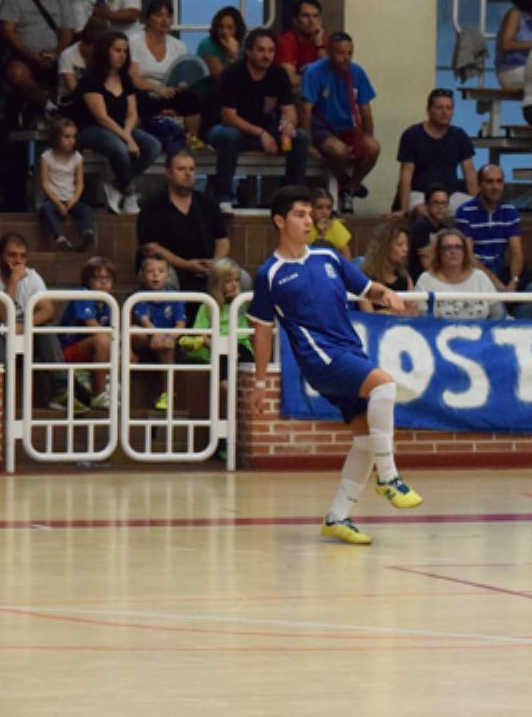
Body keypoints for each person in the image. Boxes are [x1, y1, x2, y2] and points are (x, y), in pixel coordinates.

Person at [249, 185, 423, 545]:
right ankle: (388, 476)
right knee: (384, 386)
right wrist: (261, 382)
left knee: (363, 439)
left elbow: (366, 288)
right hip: (319, 359)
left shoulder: (327, 257)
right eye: (300, 214)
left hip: (347, 350)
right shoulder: (270, 273)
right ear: (280, 221)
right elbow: (262, 331)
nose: (308, 220)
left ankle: (338, 516)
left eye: (310, 214)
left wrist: (386, 294)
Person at [0, 233, 85, 413]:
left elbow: (48, 310)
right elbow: (1, 315)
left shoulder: (32, 276)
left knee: (45, 329)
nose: (18, 261)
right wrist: (13, 281)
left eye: (22, 256)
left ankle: (61, 392)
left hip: (19, 330)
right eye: (12, 255)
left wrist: (24, 327)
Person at [209, 28, 309, 211]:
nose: (266, 56)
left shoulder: (278, 74)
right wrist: (261, 133)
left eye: (271, 51)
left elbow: (289, 110)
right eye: (261, 50)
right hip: (233, 129)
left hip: (266, 131)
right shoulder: (233, 73)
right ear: (248, 51)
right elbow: (228, 117)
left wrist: (289, 125)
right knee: (227, 136)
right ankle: (223, 196)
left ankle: (292, 197)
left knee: (300, 137)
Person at [73, 31, 161, 215]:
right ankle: (129, 192)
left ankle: (116, 185)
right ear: (105, 51)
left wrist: (128, 135)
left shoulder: (125, 78)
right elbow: (102, 117)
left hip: (120, 127)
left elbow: (132, 113)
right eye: (117, 50)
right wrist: (127, 140)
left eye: (125, 51)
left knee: (153, 146)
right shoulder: (91, 79)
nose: (122, 55)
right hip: (91, 128)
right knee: (119, 148)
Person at [301, 32, 380, 214]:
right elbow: (306, 110)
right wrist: (309, 143)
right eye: (341, 53)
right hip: (323, 128)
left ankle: (349, 187)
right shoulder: (315, 72)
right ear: (328, 52)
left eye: (349, 53)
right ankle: (347, 183)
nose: (346, 58)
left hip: (349, 127)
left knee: (373, 148)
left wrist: (367, 137)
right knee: (339, 151)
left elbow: (366, 110)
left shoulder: (357, 72)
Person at [455, 164, 532, 319]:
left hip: (502, 271)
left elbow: (517, 252)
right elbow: (468, 256)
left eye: (499, 181)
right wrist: (497, 284)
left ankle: (515, 327)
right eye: (489, 182)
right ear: (479, 185)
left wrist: (514, 281)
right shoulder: (465, 211)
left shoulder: (510, 211)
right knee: (494, 298)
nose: (495, 186)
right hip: (476, 274)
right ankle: (506, 325)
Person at [137, 149, 230, 298]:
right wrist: (186, 265)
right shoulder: (152, 205)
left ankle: (230, 320)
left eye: (191, 169)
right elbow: (150, 248)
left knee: (240, 276)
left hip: (206, 268)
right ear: (168, 173)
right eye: (181, 169)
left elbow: (223, 240)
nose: (188, 174)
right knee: (165, 277)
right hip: (172, 268)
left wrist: (215, 263)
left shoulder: (207, 203)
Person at [0, 0, 73, 120]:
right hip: (25, 56)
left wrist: (56, 53)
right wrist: (30, 54)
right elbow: (8, 31)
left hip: (55, 56)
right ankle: (49, 106)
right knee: (16, 73)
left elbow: (67, 33)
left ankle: (50, 110)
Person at [395, 88, 478, 216]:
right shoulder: (412, 135)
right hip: (420, 195)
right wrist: (403, 209)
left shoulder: (459, 136)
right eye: (440, 108)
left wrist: (478, 206)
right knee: (423, 211)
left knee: (473, 211)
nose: (445, 112)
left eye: (449, 108)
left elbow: (470, 174)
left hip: (450, 196)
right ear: (429, 110)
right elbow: (406, 175)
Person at [128, 0, 201, 135]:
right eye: (159, 15)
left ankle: (193, 139)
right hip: (144, 91)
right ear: (148, 19)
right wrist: (157, 89)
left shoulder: (179, 45)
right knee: (137, 98)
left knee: (191, 98)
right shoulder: (135, 41)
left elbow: (183, 76)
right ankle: (133, 137)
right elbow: (133, 78)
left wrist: (182, 85)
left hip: (169, 92)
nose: (165, 20)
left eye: (168, 16)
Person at [59, 256, 117, 409]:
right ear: (87, 280)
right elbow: (92, 324)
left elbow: (113, 331)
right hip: (67, 351)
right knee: (103, 340)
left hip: (92, 351)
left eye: (108, 278)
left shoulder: (108, 302)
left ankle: (111, 384)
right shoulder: (83, 294)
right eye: (98, 278)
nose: (103, 282)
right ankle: (99, 394)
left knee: (127, 352)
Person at [179, 257, 254, 376]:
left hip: (241, 345)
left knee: (245, 366)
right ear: (217, 285)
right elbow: (200, 333)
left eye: (237, 280)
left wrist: (239, 299)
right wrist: (215, 346)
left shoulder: (245, 303)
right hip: (217, 347)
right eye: (229, 281)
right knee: (223, 366)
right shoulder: (208, 305)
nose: (234, 285)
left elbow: (255, 324)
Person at [131, 253, 187, 412]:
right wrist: (155, 334)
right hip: (148, 340)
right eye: (150, 271)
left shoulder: (176, 297)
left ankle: (167, 394)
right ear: (142, 275)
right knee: (134, 331)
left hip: (167, 341)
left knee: (167, 346)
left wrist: (170, 337)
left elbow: (180, 325)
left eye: (160, 271)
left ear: (168, 275)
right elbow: (144, 320)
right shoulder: (138, 297)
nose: (156, 275)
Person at [415, 228, 505, 320]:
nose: (453, 251)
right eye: (447, 247)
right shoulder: (426, 280)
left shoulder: (480, 277)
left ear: (465, 251)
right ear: (439, 252)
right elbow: (422, 319)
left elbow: (498, 314)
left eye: (458, 247)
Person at [38, 116, 93, 252]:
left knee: (85, 210)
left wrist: (72, 201)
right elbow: (45, 184)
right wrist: (58, 203)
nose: (71, 141)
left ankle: (86, 233)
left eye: (73, 137)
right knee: (46, 209)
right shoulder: (47, 157)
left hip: (71, 199)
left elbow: (80, 183)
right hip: (54, 199)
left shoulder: (77, 157)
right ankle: (59, 238)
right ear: (56, 137)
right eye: (66, 137)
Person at [359, 222, 418, 316]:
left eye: (407, 245)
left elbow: (413, 312)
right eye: (400, 244)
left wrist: (388, 312)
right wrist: (396, 312)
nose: (405, 249)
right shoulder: (365, 279)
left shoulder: (406, 279)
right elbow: (368, 316)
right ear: (384, 247)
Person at [277, 0, 326, 90]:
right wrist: (318, 77)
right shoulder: (286, 41)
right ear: (295, 20)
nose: (311, 21)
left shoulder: (323, 40)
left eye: (315, 16)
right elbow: (291, 80)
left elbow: (328, 76)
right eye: (305, 16)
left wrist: (319, 45)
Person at [408, 184, 455, 281]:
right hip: (421, 278)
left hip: (439, 274)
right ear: (426, 205)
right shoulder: (420, 226)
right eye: (436, 203)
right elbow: (426, 262)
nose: (440, 207)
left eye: (444, 203)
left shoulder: (445, 228)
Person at [56, 18, 105, 107]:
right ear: (84, 43)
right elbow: (74, 90)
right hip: (72, 102)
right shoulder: (67, 56)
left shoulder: (102, 53)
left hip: (99, 100)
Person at [197, 6, 245, 79]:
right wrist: (231, 57)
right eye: (221, 27)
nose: (224, 31)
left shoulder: (244, 44)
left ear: (237, 29)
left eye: (229, 27)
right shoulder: (207, 45)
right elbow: (221, 79)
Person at [308, 187, 352, 259]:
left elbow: (347, 257)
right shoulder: (305, 226)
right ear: (310, 209)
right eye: (319, 207)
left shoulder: (335, 226)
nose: (324, 212)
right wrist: (322, 233)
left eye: (328, 208)